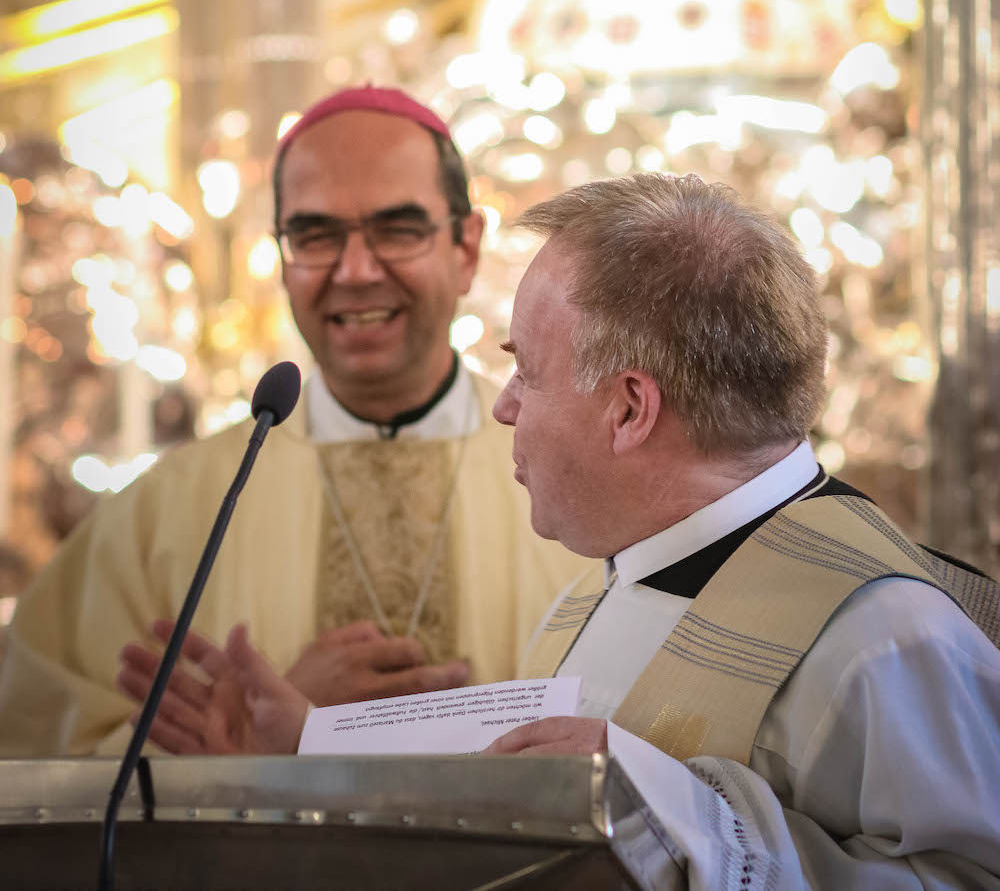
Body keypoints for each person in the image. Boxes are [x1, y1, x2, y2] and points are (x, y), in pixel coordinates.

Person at [131, 173, 1000, 890]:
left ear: (629, 408)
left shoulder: (882, 635)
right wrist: (312, 745)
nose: (504, 408)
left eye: (526, 372)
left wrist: (675, 809)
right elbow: (532, 775)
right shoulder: (608, 584)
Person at [0, 86, 579, 756]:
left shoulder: (578, 475)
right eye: (314, 235)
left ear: (466, 248)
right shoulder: (171, 511)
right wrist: (238, 750)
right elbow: (34, 758)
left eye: (397, 229)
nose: (355, 271)